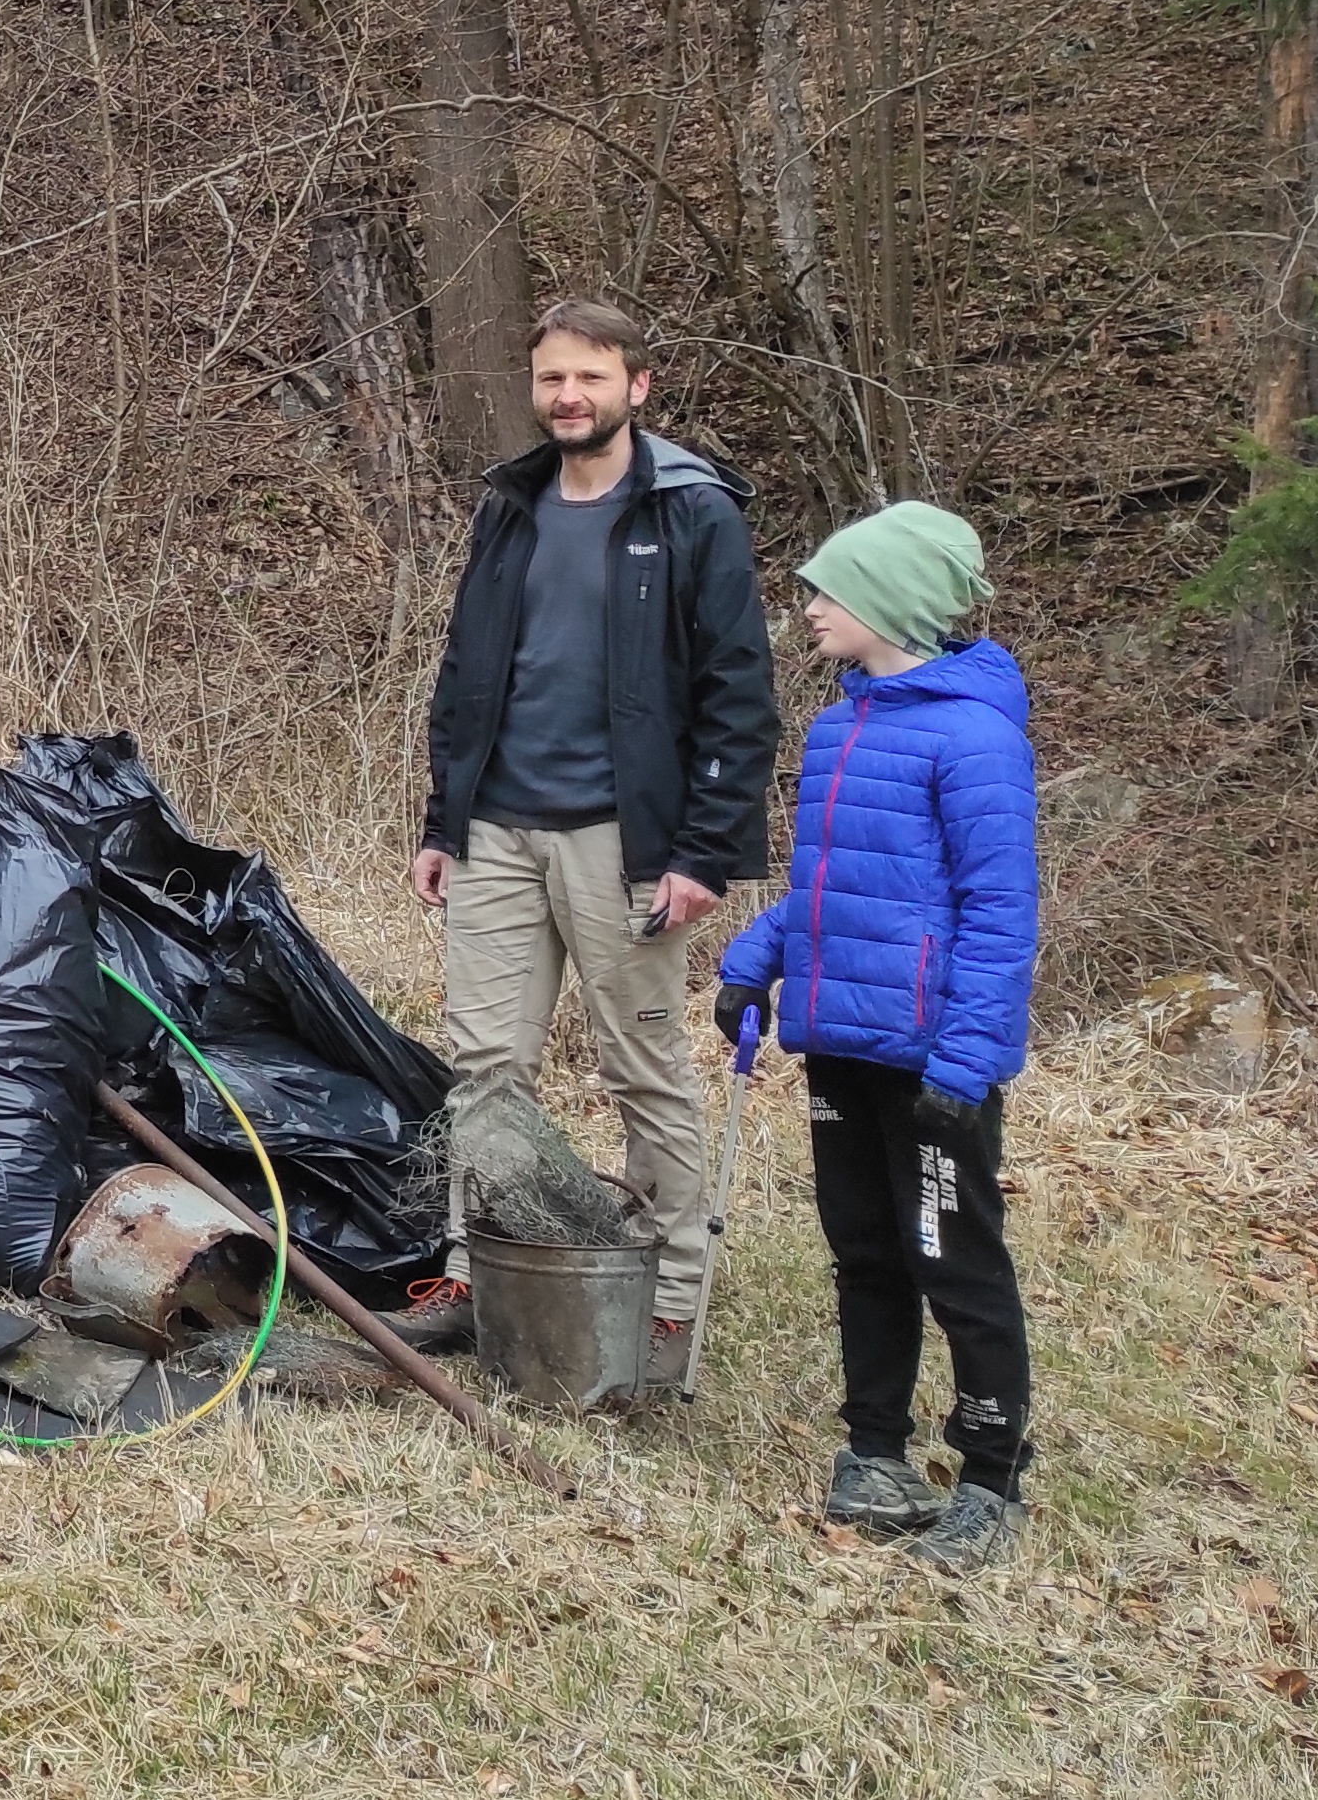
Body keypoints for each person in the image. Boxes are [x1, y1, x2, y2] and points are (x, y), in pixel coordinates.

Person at [407, 299, 778, 1378]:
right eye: (550, 380)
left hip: (626, 843)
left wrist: (702, 850)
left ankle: (664, 1301)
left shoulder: (691, 511)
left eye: (589, 378)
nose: (567, 397)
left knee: (641, 1069)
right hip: (493, 833)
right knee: (482, 1066)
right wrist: (443, 819)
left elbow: (736, 695)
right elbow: (466, 673)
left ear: (636, 387)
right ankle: (477, 1275)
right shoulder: (510, 506)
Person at [715, 501, 1038, 1573]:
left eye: (827, 592)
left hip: (929, 1059)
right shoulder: (839, 724)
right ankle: (872, 1451)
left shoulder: (973, 738)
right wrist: (749, 963)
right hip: (838, 1042)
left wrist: (962, 1060)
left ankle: (989, 1475)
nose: (805, 610)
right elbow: (826, 887)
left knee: (951, 1258)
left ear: (892, 603)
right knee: (861, 1251)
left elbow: (998, 914)